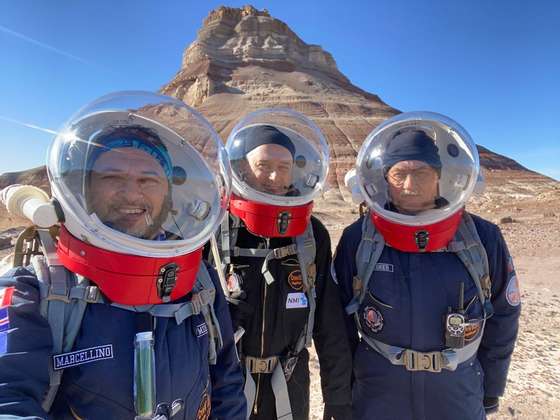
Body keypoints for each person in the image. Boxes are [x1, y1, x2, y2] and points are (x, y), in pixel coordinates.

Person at [0, 91, 246, 419]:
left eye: (149, 179)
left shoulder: (200, 281)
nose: (132, 192)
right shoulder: (34, 292)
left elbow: (226, 381)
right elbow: (9, 398)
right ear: (84, 189)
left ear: (169, 195)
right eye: (112, 177)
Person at [334, 112, 521, 420]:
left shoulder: (482, 239)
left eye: (421, 173)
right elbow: (337, 320)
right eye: (399, 174)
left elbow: (504, 313)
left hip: (457, 392)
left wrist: (492, 386)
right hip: (379, 392)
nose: (410, 185)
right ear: (385, 179)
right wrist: (343, 391)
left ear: (439, 176)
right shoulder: (360, 238)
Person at [210, 109, 352, 420]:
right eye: (264, 166)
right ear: (243, 169)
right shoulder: (215, 229)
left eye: (283, 167)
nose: (275, 177)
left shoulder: (310, 234)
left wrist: (339, 399)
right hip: (223, 382)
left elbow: (329, 323)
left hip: (290, 381)